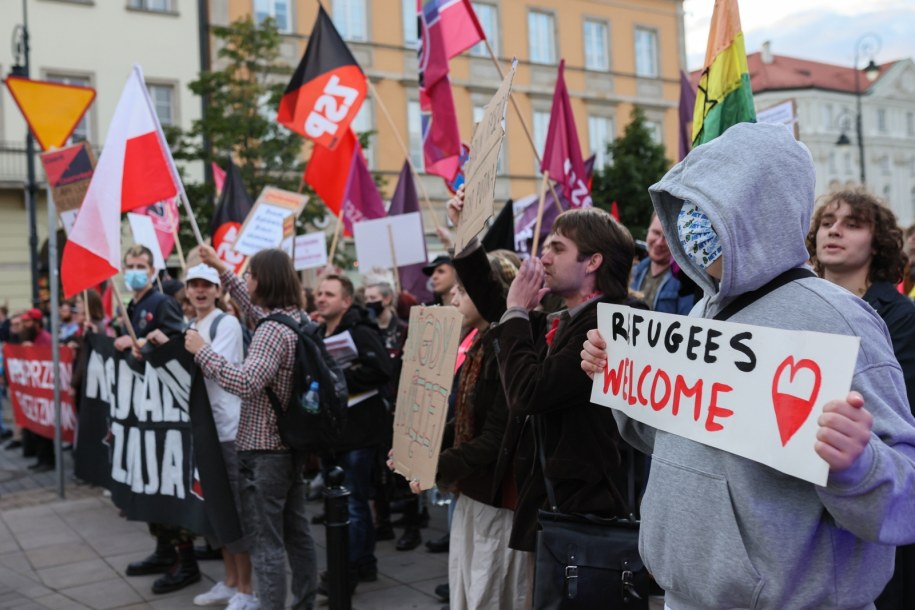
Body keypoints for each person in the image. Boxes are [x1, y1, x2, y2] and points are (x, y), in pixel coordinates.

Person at [581, 122, 915, 609]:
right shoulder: (700, 310)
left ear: (762, 211)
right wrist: (618, 382)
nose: (694, 224)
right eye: (688, 207)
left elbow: (905, 496)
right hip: (683, 594)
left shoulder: (839, 319)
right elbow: (678, 440)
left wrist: (858, 466)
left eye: (712, 206)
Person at [451, 191, 639, 606]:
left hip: (584, 510)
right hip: (561, 508)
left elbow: (529, 393)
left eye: (557, 247)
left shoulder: (608, 323)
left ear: (592, 263)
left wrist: (518, 313)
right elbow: (499, 307)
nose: (544, 258)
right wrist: (466, 238)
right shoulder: (570, 316)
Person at [191, 245, 318, 610]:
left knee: (266, 544)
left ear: (262, 279)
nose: (245, 280)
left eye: (248, 274)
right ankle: (305, 602)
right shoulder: (297, 319)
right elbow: (251, 305)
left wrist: (203, 351)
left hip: (265, 451)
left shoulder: (270, 333)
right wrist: (221, 267)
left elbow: (246, 382)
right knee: (297, 534)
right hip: (290, 444)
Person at [806, 189, 915, 609]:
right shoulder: (799, 307)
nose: (835, 230)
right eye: (829, 222)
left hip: (872, 501)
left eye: (853, 224)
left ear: (878, 242)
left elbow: (893, 412)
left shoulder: (901, 317)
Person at [150, 263, 257, 610]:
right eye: (193, 285)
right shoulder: (192, 326)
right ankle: (229, 581)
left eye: (206, 285)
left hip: (228, 430)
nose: (199, 290)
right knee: (217, 511)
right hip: (205, 430)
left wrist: (182, 347)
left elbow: (216, 368)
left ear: (217, 290)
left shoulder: (226, 323)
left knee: (237, 511)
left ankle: (247, 589)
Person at [117, 245, 197, 594]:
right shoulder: (133, 305)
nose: (135, 270)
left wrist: (145, 349)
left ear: (152, 270)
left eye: (141, 266)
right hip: (145, 408)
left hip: (166, 412)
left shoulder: (161, 303)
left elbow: (178, 347)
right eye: (130, 265)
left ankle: (186, 560)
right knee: (150, 479)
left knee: (167, 482)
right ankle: (164, 550)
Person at [314, 274, 392, 594]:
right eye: (318, 293)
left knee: (355, 504)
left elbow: (382, 370)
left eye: (329, 294)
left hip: (360, 432)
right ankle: (365, 563)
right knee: (348, 503)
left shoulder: (360, 331)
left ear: (346, 301)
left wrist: (342, 377)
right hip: (333, 434)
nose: (320, 298)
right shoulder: (317, 333)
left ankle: (344, 572)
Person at [630, 213, 694, 315]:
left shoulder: (685, 282)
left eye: (667, 237)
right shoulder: (632, 271)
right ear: (648, 230)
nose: (659, 242)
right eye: (656, 232)